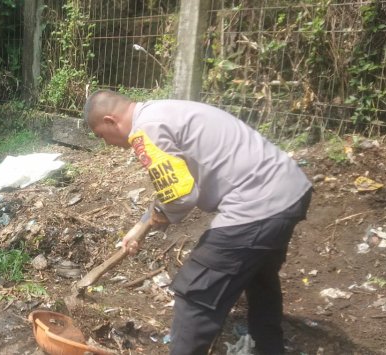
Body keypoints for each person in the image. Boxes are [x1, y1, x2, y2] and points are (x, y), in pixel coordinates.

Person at [83, 90, 312, 355]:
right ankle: (270, 349)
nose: (106, 143)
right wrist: (141, 225)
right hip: (288, 189)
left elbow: (180, 195)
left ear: (111, 120)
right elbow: (173, 187)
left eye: (101, 135)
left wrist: (158, 215)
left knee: (195, 295)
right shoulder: (160, 112)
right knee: (259, 278)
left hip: (257, 202)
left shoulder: (144, 130)